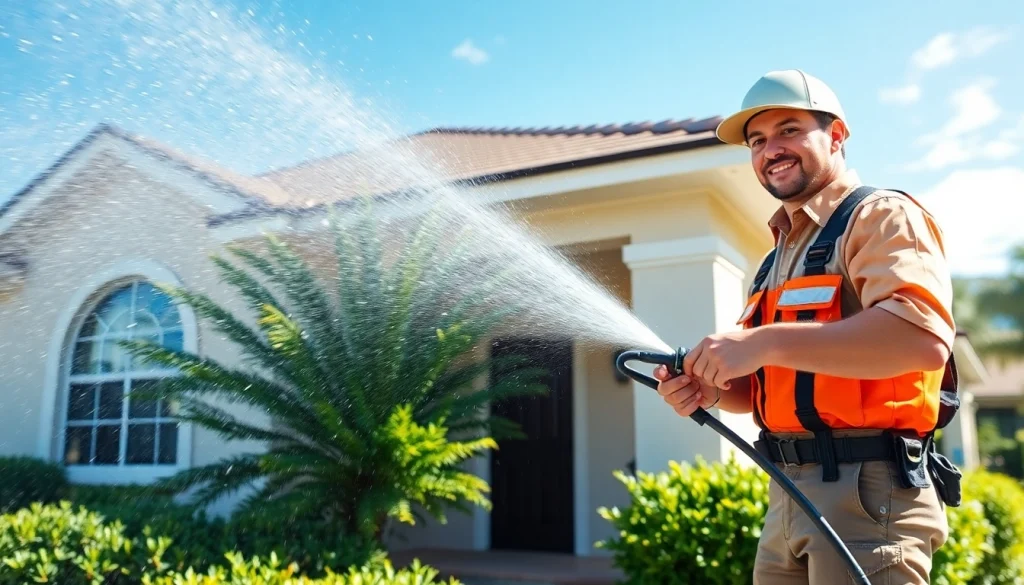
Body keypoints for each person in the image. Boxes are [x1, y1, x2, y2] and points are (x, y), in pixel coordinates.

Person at [654, 69, 962, 585]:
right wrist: (710, 388)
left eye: (789, 130)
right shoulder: (777, 257)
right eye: (757, 141)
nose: (770, 149)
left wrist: (763, 340)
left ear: (837, 135)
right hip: (786, 495)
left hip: (868, 496)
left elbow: (920, 338)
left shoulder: (881, 215)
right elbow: (764, 386)